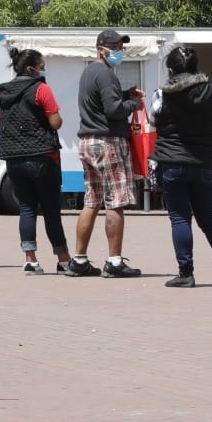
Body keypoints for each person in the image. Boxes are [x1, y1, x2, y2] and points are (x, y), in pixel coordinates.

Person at [152, 45, 212, 288]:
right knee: (210, 219)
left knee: (180, 219)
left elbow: (154, 119)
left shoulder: (163, 94)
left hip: (172, 161)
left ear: (171, 70)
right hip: (203, 162)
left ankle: (186, 273)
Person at [63, 29, 143, 278]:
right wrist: (133, 104)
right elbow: (113, 110)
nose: (119, 51)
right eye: (115, 46)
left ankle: (78, 259)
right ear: (101, 48)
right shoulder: (106, 74)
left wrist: (124, 95)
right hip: (108, 141)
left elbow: (100, 103)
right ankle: (115, 261)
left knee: (91, 200)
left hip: (87, 141)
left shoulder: (89, 72)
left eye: (121, 46)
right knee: (116, 202)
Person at [0, 50, 73, 274]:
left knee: (26, 208)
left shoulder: (4, 91)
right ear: (30, 69)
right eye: (41, 66)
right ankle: (64, 259)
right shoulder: (41, 88)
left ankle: (30, 260)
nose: (43, 70)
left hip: (14, 159)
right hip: (42, 156)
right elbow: (56, 122)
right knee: (50, 210)